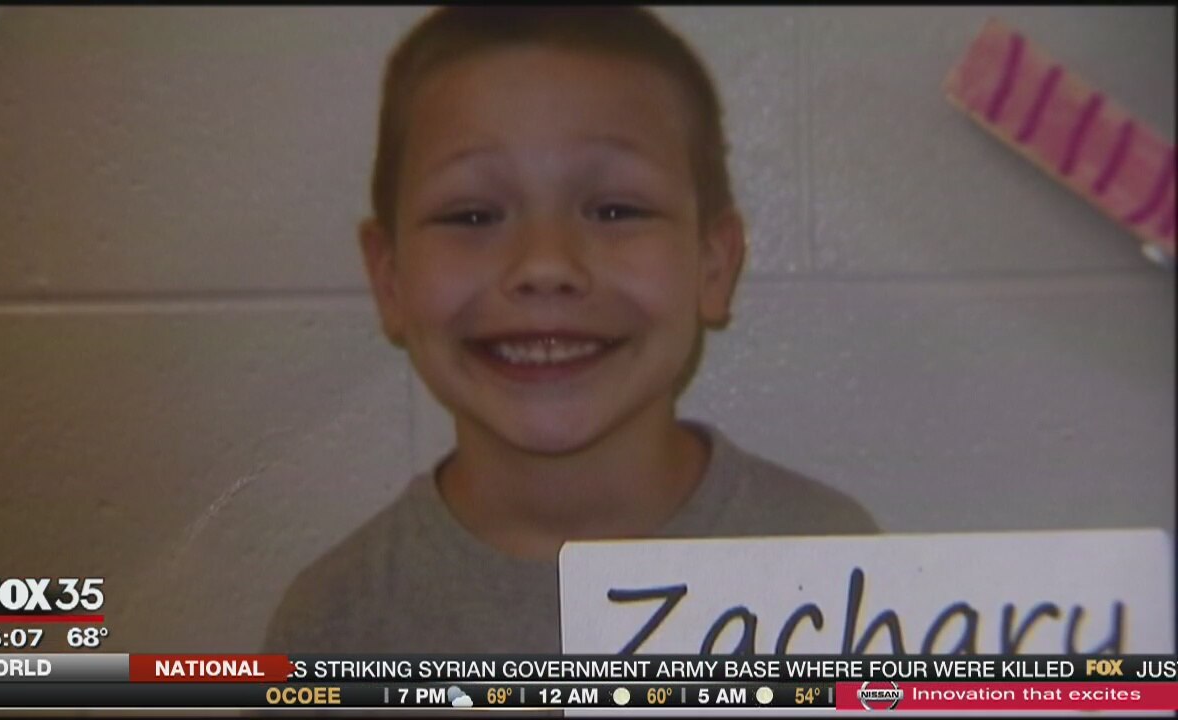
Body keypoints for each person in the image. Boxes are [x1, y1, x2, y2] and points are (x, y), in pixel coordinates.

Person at [265, 6, 878, 655]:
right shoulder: (336, 626)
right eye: (472, 215)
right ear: (389, 279)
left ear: (713, 265)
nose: (546, 265)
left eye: (616, 209)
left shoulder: (836, 570)